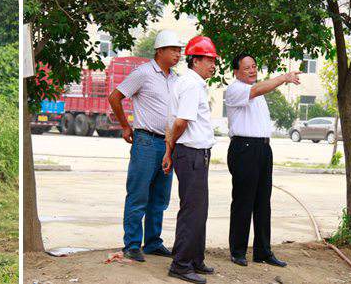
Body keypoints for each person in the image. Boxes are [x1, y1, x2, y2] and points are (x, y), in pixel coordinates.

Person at [107, 29, 185, 262]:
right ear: (159, 51)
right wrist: (125, 126)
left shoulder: (176, 79)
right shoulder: (143, 73)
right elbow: (115, 97)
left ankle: (153, 242)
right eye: (173, 50)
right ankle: (132, 244)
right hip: (146, 141)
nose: (177, 54)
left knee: (160, 197)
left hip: (167, 143)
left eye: (179, 51)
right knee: (138, 194)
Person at [225, 54, 300, 268]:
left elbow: (259, 89)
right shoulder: (236, 89)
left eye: (254, 66)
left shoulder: (258, 91)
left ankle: (263, 251)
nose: (252, 70)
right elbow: (257, 90)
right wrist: (284, 77)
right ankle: (238, 250)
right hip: (244, 149)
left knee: (262, 202)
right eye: (246, 67)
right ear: (236, 72)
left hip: (263, 149)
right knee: (243, 201)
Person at [162, 36, 220, 284]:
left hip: (195, 153)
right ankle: (181, 264)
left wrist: (169, 149)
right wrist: (172, 147)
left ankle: (194, 258)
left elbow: (175, 121)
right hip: (191, 153)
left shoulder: (192, 83)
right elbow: (180, 122)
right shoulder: (191, 85)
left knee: (199, 209)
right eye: (209, 60)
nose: (213, 65)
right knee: (192, 211)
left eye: (214, 60)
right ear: (195, 60)